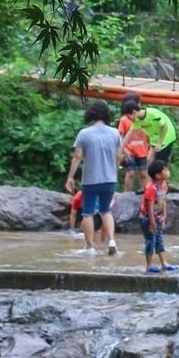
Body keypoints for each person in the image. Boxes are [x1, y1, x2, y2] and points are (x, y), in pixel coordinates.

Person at [64, 100, 121, 257]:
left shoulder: (84, 133)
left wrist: (70, 177)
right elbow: (119, 157)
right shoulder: (115, 133)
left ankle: (89, 247)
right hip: (110, 179)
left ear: (91, 114)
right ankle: (112, 241)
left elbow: (77, 157)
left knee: (88, 213)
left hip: (90, 179)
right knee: (105, 211)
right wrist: (114, 175)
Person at [139, 158, 179, 273]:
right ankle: (149, 265)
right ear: (157, 175)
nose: (168, 171)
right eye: (165, 170)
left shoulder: (164, 185)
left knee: (159, 240)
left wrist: (164, 215)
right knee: (150, 240)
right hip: (147, 218)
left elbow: (163, 200)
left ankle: (164, 263)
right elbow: (149, 207)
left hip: (157, 217)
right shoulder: (151, 188)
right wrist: (152, 222)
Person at [130, 102, 178, 167]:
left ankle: (161, 175)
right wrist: (121, 148)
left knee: (160, 164)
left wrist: (159, 143)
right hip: (155, 140)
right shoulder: (137, 121)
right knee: (149, 161)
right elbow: (129, 134)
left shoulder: (152, 114)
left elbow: (164, 127)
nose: (129, 119)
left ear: (134, 112)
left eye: (129, 116)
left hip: (166, 138)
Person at [120, 117, 151, 193]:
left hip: (142, 150)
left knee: (143, 173)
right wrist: (124, 150)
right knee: (130, 173)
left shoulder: (145, 119)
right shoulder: (124, 120)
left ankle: (145, 193)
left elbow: (150, 136)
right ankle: (127, 193)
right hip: (129, 151)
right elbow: (120, 136)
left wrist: (150, 148)